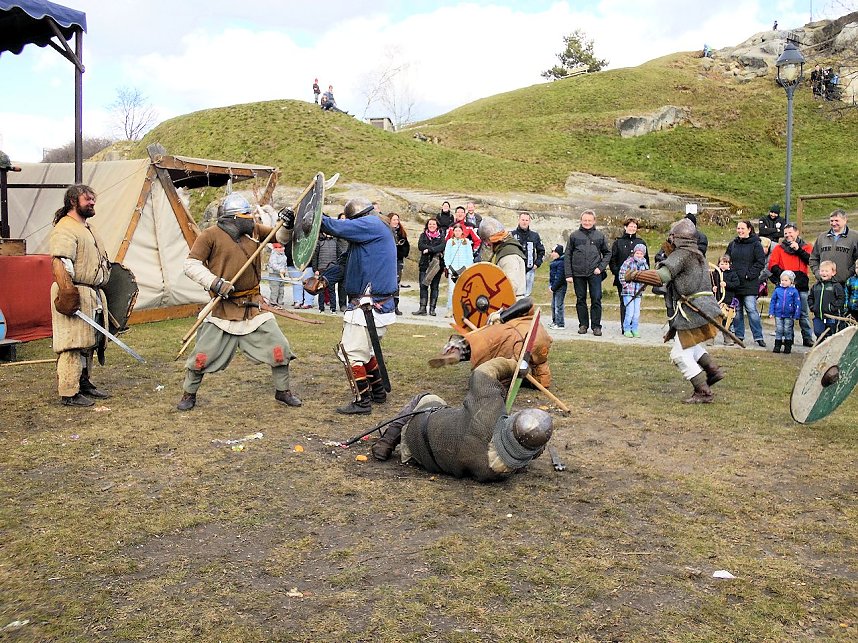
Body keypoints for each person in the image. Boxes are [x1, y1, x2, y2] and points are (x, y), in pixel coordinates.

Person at [177, 193, 301, 411]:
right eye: (246, 214)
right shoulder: (210, 235)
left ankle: (282, 391)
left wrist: (288, 225)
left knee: (279, 348)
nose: (251, 217)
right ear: (233, 218)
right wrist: (215, 283)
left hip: (253, 306)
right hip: (223, 309)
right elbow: (191, 264)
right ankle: (189, 394)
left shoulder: (254, 230)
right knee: (201, 357)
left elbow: (279, 237)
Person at [370, 357, 553, 483]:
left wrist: (514, 365)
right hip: (424, 460)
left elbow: (483, 372)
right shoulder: (498, 471)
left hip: (416, 434)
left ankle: (386, 442)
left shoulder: (488, 412)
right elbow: (530, 450)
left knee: (425, 398)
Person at [625, 218, 725, 403]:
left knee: (679, 354)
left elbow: (661, 277)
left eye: (671, 237)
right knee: (689, 343)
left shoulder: (682, 254)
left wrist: (635, 275)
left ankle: (703, 391)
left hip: (693, 309)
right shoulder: (697, 254)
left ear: (676, 237)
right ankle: (712, 370)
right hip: (704, 306)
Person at [313, 198, 398, 414]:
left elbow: (334, 226)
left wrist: (312, 214)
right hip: (373, 305)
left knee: (350, 353)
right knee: (364, 352)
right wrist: (324, 280)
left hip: (368, 306)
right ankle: (378, 392)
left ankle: (362, 402)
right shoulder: (367, 236)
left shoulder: (372, 224)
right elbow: (344, 263)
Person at [49, 184, 112, 407]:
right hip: (73, 290)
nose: (92, 203)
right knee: (72, 343)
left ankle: (83, 382)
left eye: (93, 199)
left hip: (91, 293)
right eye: (88, 199)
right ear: (73, 201)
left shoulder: (88, 228)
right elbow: (60, 262)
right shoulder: (65, 228)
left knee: (89, 342)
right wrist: (68, 294)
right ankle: (69, 391)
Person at [564, 209, 610, 336]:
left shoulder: (600, 236)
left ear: (594, 221)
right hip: (578, 273)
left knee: (596, 299)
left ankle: (596, 326)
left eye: (590, 220)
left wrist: (600, 268)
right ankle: (583, 325)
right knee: (580, 299)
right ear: (581, 220)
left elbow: (607, 253)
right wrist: (568, 274)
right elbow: (567, 255)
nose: (587, 222)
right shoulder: (574, 236)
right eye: (585, 220)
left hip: (594, 273)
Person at [768, 223, 814, 346]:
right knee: (787, 312)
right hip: (785, 286)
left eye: (790, 233)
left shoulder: (806, 246)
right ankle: (789, 338)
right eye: (785, 233)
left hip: (801, 284)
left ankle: (807, 337)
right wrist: (785, 276)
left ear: (797, 232)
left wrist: (798, 250)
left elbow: (810, 261)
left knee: (803, 313)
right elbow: (772, 265)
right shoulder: (779, 248)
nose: (788, 235)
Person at [726, 220, 767, 347]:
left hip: (749, 283)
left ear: (749, 229)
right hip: (735, 283)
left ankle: (758, 336)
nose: (740, 231)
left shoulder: (756, 244)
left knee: (751, 309)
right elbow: (726, 259)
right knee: (737, 310)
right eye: (738, 228)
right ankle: (739, 336)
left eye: (742, 228)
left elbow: (760, 262)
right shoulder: (733, 244)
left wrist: (749, 274)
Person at [609, 218, 648, 333]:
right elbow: (613, 260)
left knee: (635, 305)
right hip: (623, 280)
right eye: (630, 226)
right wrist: (618, 273)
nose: (632, 228)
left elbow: (646, 261)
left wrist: (644, 277)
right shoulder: (618, 243)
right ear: (625, 227)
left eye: (634, 227)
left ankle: (633, 327)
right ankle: (625, 327)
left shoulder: (641, 242)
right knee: (624, 303)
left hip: (638, 280)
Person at [478, 216, 527, 298]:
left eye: (487, 242)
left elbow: (511, 286)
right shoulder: (503, 250)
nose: (487, 245)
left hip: (512, 302)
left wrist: (492, 297)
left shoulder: (508, 255)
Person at [809, 210, 858, 286]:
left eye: (836, 221)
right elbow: (813, 258)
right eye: (831, 221)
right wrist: (818, 273)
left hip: (846, 284)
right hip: (823, 284)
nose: (834, 223)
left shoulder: (855, 237)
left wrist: (848, 274)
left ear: (845, 220)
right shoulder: (822, 237)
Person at [807, 260, 845, 342]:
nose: (824, 273)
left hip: (831, 316)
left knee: (830, 334)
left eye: (826, 271)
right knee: (818, 332)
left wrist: (832, 308)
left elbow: (841, 299)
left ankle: (829, 348)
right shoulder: (816, 286)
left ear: (833, 272)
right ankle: (819, 345)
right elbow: (810, 297)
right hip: (818, 316)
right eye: (822, 271)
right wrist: (812, 307)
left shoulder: (836, 286)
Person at [415, 218, 446, 316]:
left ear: (437, 226)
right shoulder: (423, 235)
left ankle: (432, 309)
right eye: (430, 224)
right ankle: (422, 308)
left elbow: (442, 246)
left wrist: (429, 250)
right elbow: (420, 246)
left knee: (434, 287)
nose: (431, 226)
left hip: (436, 265)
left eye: (433, 224)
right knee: (423, 285)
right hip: (424, 264)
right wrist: (433, 249)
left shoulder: (441, 236)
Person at [510, 212, 545, 297]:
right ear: (519, 220)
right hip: (515, 270)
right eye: (522, 220)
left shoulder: (534, 235)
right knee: (514, 293)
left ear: (529, 221)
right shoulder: (511, 235)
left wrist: (537, 263)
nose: (524, 222)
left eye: (526, 220)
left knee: (526, 295)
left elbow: (541, 251)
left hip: (529, 270)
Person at [618, 243, 648, 338]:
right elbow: (621, 274)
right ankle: (626, 329)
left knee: (636, 313)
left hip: (638, 292)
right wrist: (626, 286)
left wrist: (643, 287)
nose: (639, 255)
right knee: (630, 312)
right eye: (637, 253)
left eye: (641, 253)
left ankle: (635, 329)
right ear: (634, 253)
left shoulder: (645, 264)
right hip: (628, 292)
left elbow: (646, 277)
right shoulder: (628, 262)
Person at [443, 222, 474, 315]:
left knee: (463, 290)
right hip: (453, 270)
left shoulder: (466, 242)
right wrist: (449, 267)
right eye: (455, 231)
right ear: (453, 232)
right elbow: (447, 256)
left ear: (462, 232)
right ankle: (450, 308)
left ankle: (461, 310)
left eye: (459, 231)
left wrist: (465, 268)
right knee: (452, 290)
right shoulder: (450, 242)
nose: (457, 232)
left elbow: (470, 257)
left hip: (463, 270)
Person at [768, 270, 801, 353]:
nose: (783, 282)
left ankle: (788, 346)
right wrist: (771, 312)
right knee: (779, 329)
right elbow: (773, 301)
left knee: (787, 330)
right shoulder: (777, 290)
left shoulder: (794, 291)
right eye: (782, 280)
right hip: (778, 313)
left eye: (786, 280)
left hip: (789, 314)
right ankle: (777, 345)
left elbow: (797, 303)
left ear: (791, 281)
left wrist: (797, 314)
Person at [712, 254, 740, 346]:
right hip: (718, 300)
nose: (724, 265)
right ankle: (711, 339)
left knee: (727, 322)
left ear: (729, 264)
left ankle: (727, 339)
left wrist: (726, 284)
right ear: (718, 264)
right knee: (715, 320)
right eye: (722, 264)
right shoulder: (715, 274)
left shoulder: (732, 274)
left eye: (726, 264)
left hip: (728, 301)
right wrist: (713, 288)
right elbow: (711, 284)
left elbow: (736, 284)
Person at [312, 232, 339, 314]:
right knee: (321, 290)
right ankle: (321, 308)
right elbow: (315, 257)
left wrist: (337, 267)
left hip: (332, 269)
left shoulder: (335, 242)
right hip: (322, 269)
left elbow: (339, 256)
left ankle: (333, 309)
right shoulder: (319, 242)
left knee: (332, 290)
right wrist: (315, 269)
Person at [388, 213, 410, 316]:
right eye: (394, 219)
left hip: (398, 261)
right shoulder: (385, 232)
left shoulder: (401, 233)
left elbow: (406, 249)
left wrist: (398, 252)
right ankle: (386, 304)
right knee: (387, 283)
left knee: (396, 283)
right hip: (387, 261)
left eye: (397, 219)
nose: (396, 222)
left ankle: (395, 305)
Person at [548, 244, 567, 329]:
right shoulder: (554, 263)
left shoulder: (561, 263)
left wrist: (553, 287)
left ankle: (560, 323)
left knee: (558, 305)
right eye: (552, 251)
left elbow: (560, 277)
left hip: (560, 287)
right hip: (554, 286)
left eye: (554, 252)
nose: (552, 253)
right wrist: (551, 285)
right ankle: (555, 321)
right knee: (553, 305)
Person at [845, 258, 858, 322]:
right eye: (857, 267)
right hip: (852, 310)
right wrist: (846, 307)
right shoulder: (850, 280)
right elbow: (846, 294)